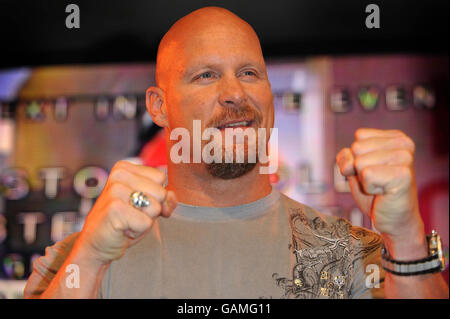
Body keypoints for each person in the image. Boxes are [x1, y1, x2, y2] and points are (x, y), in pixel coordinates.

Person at [24, 6, 448, 299]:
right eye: (206, 75)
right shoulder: (76, 261)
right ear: (158, 106)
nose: (234, 93)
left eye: (249, 73)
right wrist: (93, 257)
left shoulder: (357, 254)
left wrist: (406, 235)